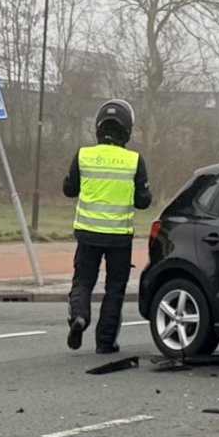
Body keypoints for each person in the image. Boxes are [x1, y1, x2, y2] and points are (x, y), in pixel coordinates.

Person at [62, 99, 151, 353]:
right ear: (127, 131)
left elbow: (69, 189)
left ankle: (79, 316)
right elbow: (144, 202)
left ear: (98, 128)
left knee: (83, 280)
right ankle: (105, 342)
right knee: (115, 289)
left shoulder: (83, 155)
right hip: (119, 238)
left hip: (87, 234)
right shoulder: (134, 160)